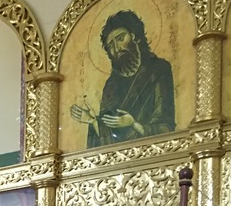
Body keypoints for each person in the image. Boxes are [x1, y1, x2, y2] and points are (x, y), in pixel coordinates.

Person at [70, 9, 175, 148]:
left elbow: (165, 126)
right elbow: (109, 140)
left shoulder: (158, 69)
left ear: (134, 36)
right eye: (111, 45)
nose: (117, 48)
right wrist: (93, 121)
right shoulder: (111, 85)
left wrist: (133, 124)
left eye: (120, 39)